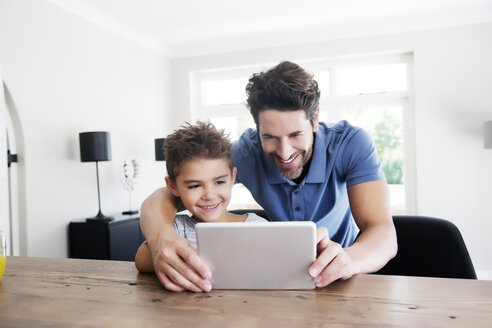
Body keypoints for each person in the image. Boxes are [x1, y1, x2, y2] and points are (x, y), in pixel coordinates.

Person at [140, 61, 397, 293]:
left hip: (346, 280)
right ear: (257, 128)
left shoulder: (351, 144)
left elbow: (383, 232)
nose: (284, 153)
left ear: (315, 118)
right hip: (278, 282)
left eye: (295, 135)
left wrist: (349, 260)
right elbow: (166, 195)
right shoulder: (247, 152)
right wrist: (160, 237)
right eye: (270, 137)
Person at [134, 121, 268, 280]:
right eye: (195, 186)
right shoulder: (176, 228)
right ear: (173, 186)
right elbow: (141, 259)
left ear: (232, 177)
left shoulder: (258, 227)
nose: (209, 195)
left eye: (219, 182)